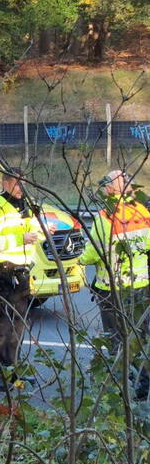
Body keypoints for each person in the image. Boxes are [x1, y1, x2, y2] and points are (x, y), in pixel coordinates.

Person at [79, 169, 150, 399]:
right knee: (140, 337)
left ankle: (122, 387)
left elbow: (91, 254)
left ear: (111, 189)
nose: (105, 189)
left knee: (117, 339)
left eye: (107, 185)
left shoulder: (106, 216)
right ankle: (142, 385)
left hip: (113, 289)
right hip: (140, 286)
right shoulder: (142, 211)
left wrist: (77, 258)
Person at [0, 168, 48, 390]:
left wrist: (44, 230)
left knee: (17, 328)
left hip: (21, 275)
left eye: (24, 184)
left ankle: (13, 372)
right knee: (1, 328)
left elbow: (32, 230)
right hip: (3, 274)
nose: (22, 188)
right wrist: (21, 238)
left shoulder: (24, 206)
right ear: (6, 183)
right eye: (18, 184)